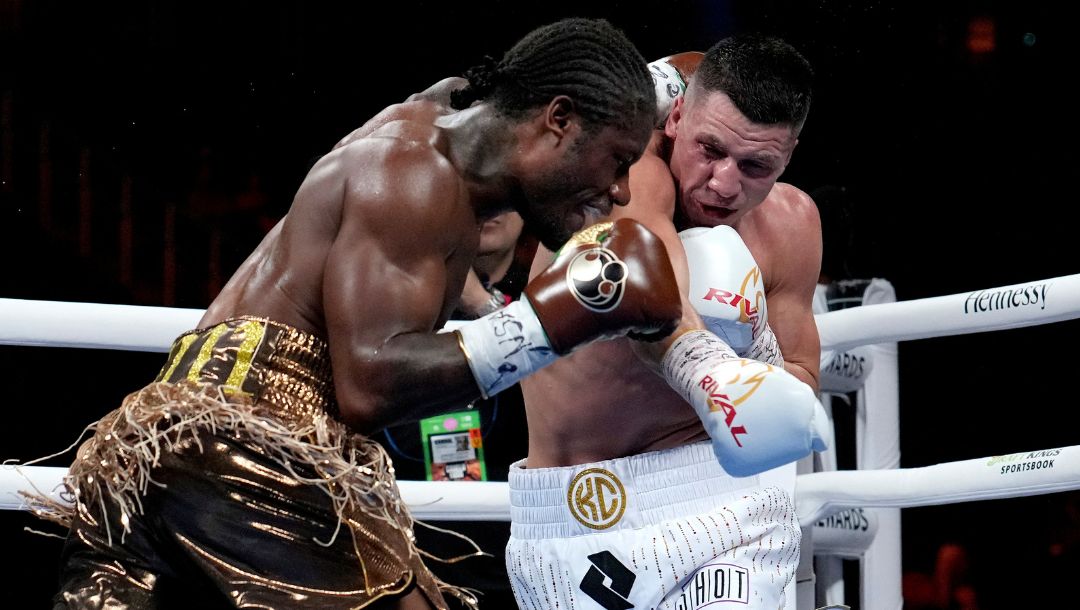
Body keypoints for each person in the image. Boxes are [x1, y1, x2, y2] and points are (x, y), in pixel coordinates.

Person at [22, 18, 682, 610]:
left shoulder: (440, 120)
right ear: (558, 119)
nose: (621, 189)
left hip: (165, 445)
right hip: (248, 446)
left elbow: (484, 87)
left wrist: (654, 91)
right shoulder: (414, 177)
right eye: (618, 159)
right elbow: (370, 385)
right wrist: (553, 322)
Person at [509, 34, 825, 609]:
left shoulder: (792, 224)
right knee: (710, 265)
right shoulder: (623, 182)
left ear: (789, 155)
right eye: (710, 150)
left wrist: (756, 347)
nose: (725, 183)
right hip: (581, 507)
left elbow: (800, 378)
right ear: (675, 117)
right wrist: (709, 359)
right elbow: (644, 279)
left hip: (729, 503)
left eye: (757, 166)